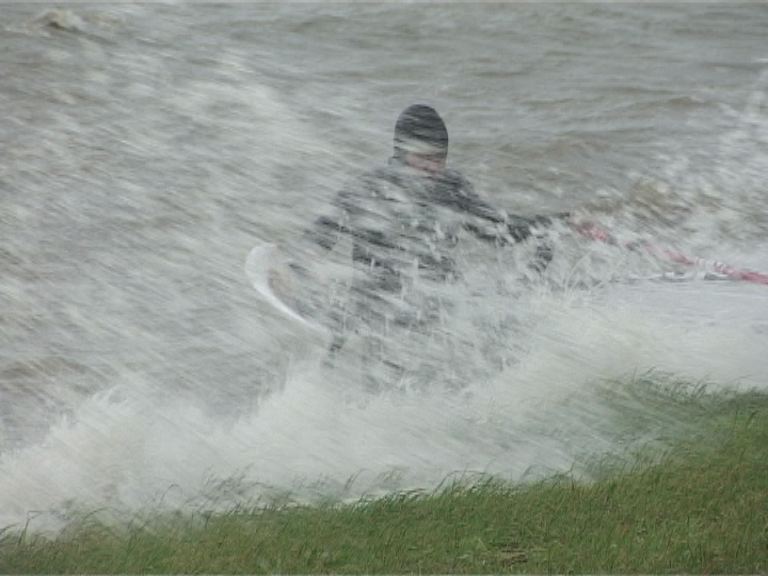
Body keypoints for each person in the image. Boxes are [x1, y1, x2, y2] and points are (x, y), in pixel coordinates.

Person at [304, 104, 558, 391]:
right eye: (423, 157)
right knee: (379, 391)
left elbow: (500, 233)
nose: (431, 167)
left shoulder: (450, 187)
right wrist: (290, 273)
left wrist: (560, 223)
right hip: (377, 318)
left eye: (439, 158)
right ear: (401, 152)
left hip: (437, 314)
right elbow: (318, 239)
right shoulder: (368, 189)